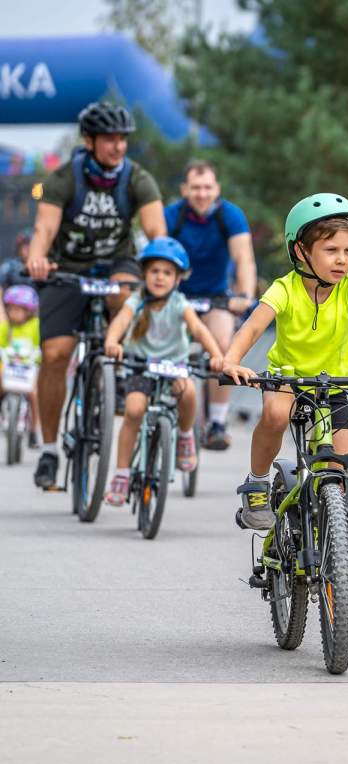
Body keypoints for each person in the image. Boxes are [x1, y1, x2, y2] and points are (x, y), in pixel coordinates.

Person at [221, 193, 348, 614]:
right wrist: (232, 360)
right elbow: (252, 328)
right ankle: (257, 483)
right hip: (287, 379)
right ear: (301, 251)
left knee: (346, 476)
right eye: (331, 250)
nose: (342, 259)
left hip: (333, 389)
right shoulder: (284, 288)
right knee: (275, 413)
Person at [26, 101, 166, 490]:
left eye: (122, 139)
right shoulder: (62, 178)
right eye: (109, 139)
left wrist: (162, 265)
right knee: (55, 355)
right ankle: (49, 451)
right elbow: (44, 229)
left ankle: (116, 372)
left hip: (116, 264)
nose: (118, 146)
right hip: (67, 269)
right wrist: (37, 258)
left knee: (124, 294)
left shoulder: (138, 178)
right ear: (89, 141)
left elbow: (157, 231)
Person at [103, 237, 224, 505]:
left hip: (173, 365)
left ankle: (185, 437)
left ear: (178, 279)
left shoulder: (179, 303)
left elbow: (198, 329)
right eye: (154, 271)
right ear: (144, 275)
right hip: (140, 365)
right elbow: (120, 321)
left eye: (167, 273)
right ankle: (121, 475)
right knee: (134, 410)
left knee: (188, 392)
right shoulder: (136, 300)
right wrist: (112, 341)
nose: (160, 277)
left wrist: (217, 355)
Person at [165, 160, 257, 450]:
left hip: (216, 295)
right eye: (195, 188)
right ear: (184, 190)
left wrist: (245, 295)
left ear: (217, 188)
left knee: (223, 347)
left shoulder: (230, 215)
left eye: (207, 187)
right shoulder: (172, 215)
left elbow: (244, 258)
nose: (202, 193)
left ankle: (217, 421)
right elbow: (157, 254)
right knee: (163, 345)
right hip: (177, 296)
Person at [0, 284, 41, 447]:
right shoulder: (6, 328)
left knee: (34, 394)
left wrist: (39, 358)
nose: (14, 313)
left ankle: (33, 429)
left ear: (29, 311)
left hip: (29, 368)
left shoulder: (35, 326)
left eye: (19, 310)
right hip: (8, 367)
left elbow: (40, 345)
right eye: (11, 309)